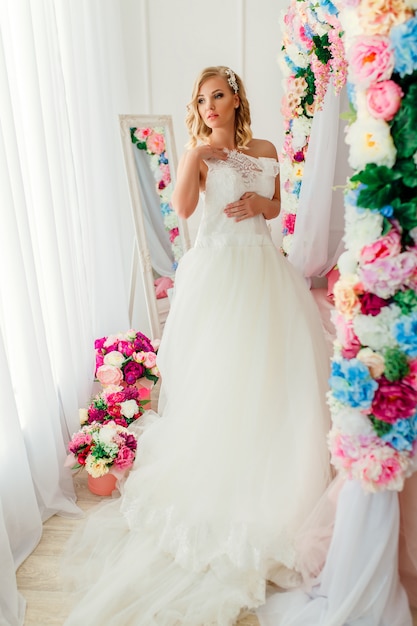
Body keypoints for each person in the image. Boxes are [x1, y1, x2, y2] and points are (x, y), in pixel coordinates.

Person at [61, 65, 333, 625]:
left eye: (217, 95)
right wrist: (194, 157)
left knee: (270, 377)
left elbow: (276, 205)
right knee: (221, 378)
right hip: (217, 273)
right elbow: (183, 211)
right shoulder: (199, 153)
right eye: (201, 99)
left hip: (262, 270)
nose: (209, 105)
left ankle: (273, 471)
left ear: (235, 98)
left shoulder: (263, 146)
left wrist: (260, 206)